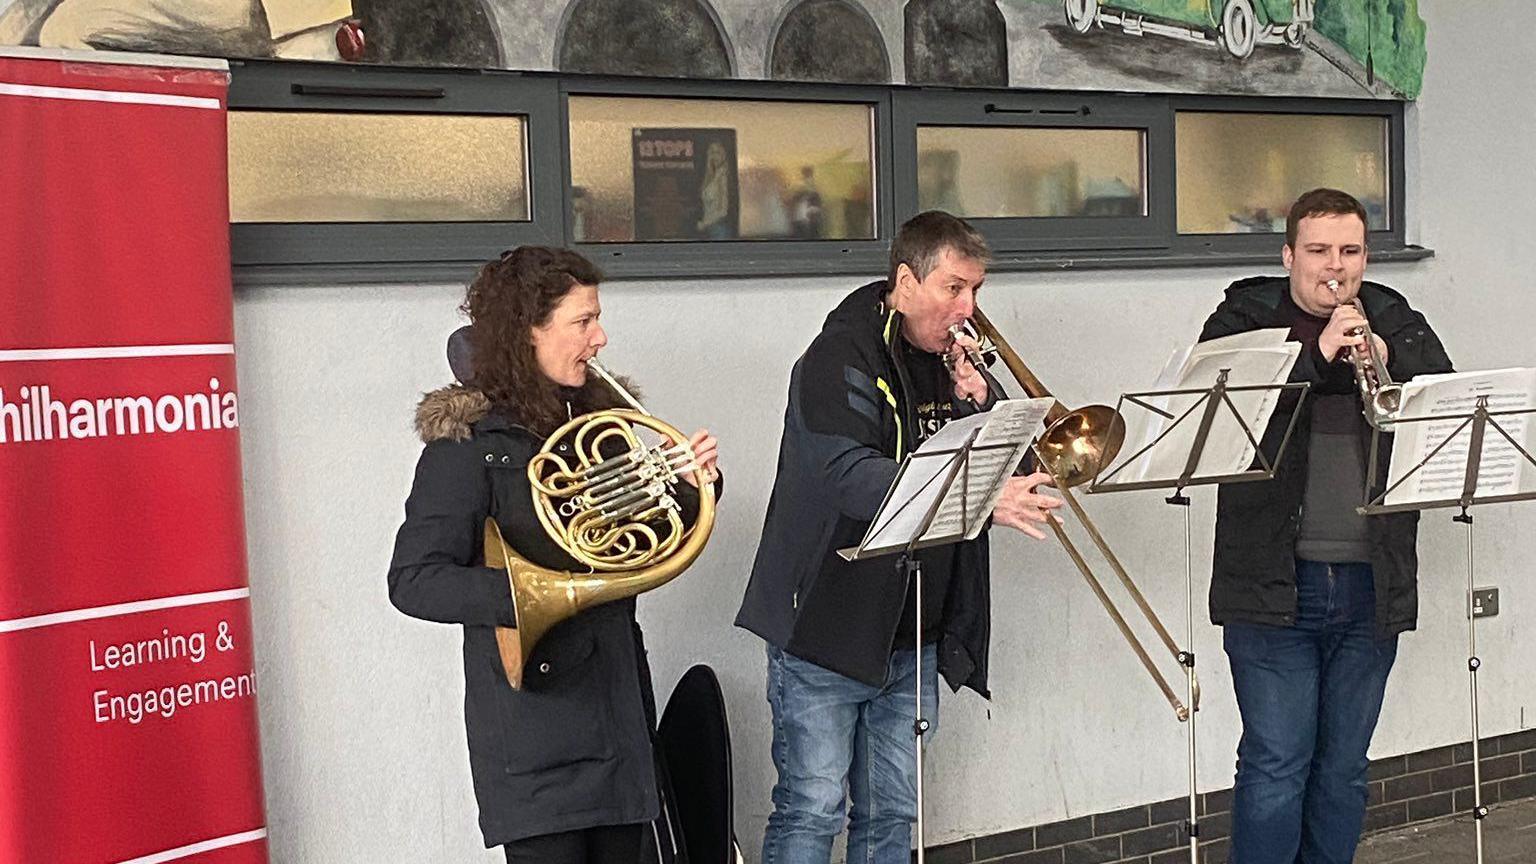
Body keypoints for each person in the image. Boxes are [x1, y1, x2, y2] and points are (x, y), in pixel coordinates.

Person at [735, 210, 1063, 863]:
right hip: (827, 623)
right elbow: (850, 476)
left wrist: (981, 400)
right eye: (953, 288)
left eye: (976, 290)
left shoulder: (955, 363)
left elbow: (1024, 465)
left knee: (893, 815)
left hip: (915, 628)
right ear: (906, 280)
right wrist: (978, 498)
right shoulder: (837, 358)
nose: (968, 307)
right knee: (812, 809)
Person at [387, 245, 720, 864]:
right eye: (583, 321)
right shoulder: (469, 446)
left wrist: (689, 486)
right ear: (528, 333)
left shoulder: (601, 423)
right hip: (533, 736)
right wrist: (532, 595)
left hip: (617, 717)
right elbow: (413, 580)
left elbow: (642, 543)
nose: (601, 338)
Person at [1197, 188, 1453, 864]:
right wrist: (1313, 355)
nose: (1333, 266)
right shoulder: (1242, 318)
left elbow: (1447, 404)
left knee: (1343, 770)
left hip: (1372, 583)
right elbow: (1218, 412)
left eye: (1349, 250)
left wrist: (1392, 367)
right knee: (1277, 765)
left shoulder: (1394, 318)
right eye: (1317, 251)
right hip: (1273, 586)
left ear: (1366, 256)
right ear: (1288, 256)